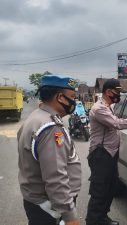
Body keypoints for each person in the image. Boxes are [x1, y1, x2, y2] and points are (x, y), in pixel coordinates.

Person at [85, 78, 127, 225]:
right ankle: (93, 220)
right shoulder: (99, 108)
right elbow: (117, 123)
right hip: (100, 154)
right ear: (109, 92)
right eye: (117, 92)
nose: (119, 96)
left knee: (110, 188)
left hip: (109, 153)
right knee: (100, 190)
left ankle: (102, 217)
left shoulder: (108, 106)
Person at [17, 75, 81, 225]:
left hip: (37, 202)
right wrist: (69, 216)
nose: (74, 101)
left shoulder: (36, 117)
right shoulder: (51, 128)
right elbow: (56, 177)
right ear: (60, 97)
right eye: (72, 97)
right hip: (49, 207)